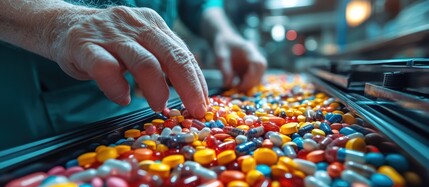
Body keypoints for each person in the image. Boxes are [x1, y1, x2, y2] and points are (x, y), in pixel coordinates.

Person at [0, 0, 266, 150]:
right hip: (30, 118)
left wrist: (223, 33)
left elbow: (199, 4)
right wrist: (58, 23)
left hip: (124, 113)